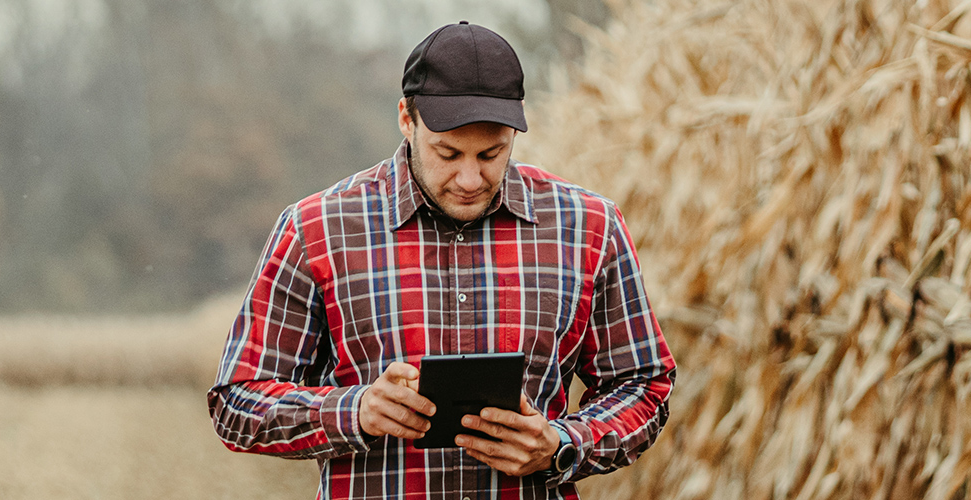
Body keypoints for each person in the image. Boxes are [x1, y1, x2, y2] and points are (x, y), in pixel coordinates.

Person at [207, 21, 676, 499]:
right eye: (448, 153)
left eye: (491, 153)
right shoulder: (317, 229)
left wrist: (561, 445)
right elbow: (238, 403)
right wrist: (357, 410)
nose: (470, 178)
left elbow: (644, 384)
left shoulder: (589, 227)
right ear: (406, 121)